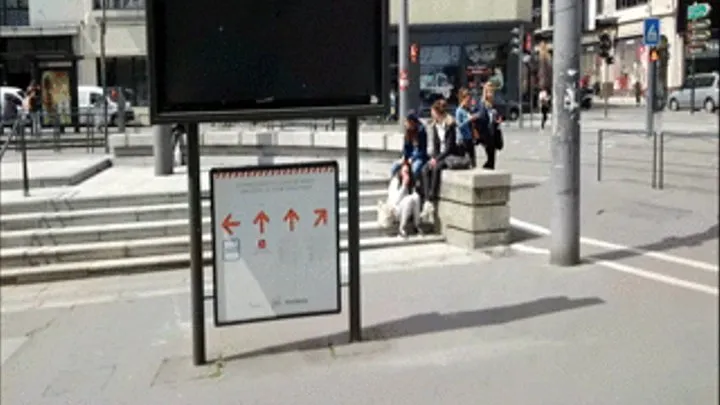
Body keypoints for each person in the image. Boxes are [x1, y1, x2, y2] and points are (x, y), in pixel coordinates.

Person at [420, 99, 472, 217]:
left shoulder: (450, 125)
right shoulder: (435, 125)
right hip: (440, 155)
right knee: (425, 169)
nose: (431, 114)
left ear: (438, 113)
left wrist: (436, 160)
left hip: (450, 155)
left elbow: (449, 148)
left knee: (437, 168)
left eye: (433, 112)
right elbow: (436, 146)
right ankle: (427, 200)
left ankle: (432, 197)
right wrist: (433, 158)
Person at [378, 161, 423, 238]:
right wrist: (403, 186)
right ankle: (401, 229)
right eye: (404, 172)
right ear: (400, 171)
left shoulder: (411, 182)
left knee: (416, 196)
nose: (406, 174)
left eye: (408, 172)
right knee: (409, 199)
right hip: (395, 210)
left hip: (408, 210)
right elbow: (395, 201)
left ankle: (417, 225)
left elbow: (414, 199)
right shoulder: (395, 181)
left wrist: (413, 188)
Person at [390, 112, 428, 179]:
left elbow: (422, 151)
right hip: (409, 156)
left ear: (411, 122)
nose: (405, 124)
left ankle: (415, 185)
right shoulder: (407, 132)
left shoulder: (421, 131)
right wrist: (405, 157)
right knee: (394, 166)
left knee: (415, 168)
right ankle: (394, 183)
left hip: (419, 157)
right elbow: (406, 148)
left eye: (406, 122)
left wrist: (412, 159)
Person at [455, 87, 480, 167]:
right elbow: (459, 126)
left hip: (469, 138)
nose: (469, 102)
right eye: (468, 100)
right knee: (464, 161)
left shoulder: (467, 110)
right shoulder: (459, 111)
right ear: (463, 99)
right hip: (462, 140)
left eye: (470, 100)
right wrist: (469, 120)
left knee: (473, 161)